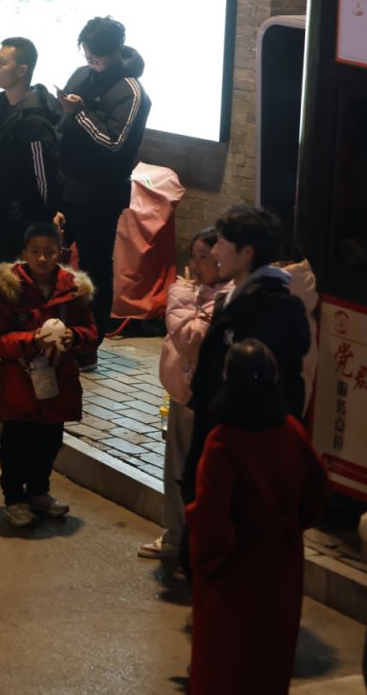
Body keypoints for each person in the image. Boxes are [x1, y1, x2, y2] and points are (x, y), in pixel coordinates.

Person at [185, 340, 329, 695]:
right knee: (269, 663)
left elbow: (212, 524)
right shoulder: (292, 431)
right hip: (282, 569)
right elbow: (316, 492)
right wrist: (291, 528)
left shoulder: (223, 443)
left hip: (236, 573)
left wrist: (203, 562)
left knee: (228, 669)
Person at [182, 205, 312, 510]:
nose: (215, 251)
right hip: (218, 447)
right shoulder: (232, 301)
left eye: (222, 243)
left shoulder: (273, 309)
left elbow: (281, 391)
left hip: (245, 466)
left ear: (247, 253)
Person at [0, 221, 99, 527]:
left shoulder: (73, 289)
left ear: (59, 253)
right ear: (24, 253)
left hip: (58, 381)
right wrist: (32, 341)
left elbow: (91, 331)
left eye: (49, 252)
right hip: (20, 384)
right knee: (16, 445)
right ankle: (14, 498)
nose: (42, 258)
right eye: (35, 251)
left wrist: (74, 337)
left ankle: (39, 492)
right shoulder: (10, 288)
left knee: (49, 441)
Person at [54, 16, 152, 349]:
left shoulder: (133, 92)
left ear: (115, 51)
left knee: (94, 266)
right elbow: (62, 125)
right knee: (48, 257)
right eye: (86, 55)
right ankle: (49, 329)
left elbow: (114, 145)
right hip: (64, 186)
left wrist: (80, 114)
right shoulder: (81, 75)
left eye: (96, 57)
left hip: (99, 196)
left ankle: (89, 342)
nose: (90, 62)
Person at [140, 228, 227, 562]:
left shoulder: (223, 298)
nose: (195, 264)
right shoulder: (199, 293)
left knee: (195, 474)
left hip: (202, 399)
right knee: (175, 469)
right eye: (193, 256)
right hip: (181, 393)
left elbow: (191, 339)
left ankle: (188, 544)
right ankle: (175, 536)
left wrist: (181, 295)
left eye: (204, 257)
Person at [0, 36, 62, 262]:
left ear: (22, 70)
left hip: (16, 223)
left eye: (2, 63)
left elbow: (46, 181)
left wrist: (43, 219)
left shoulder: (35, 121)